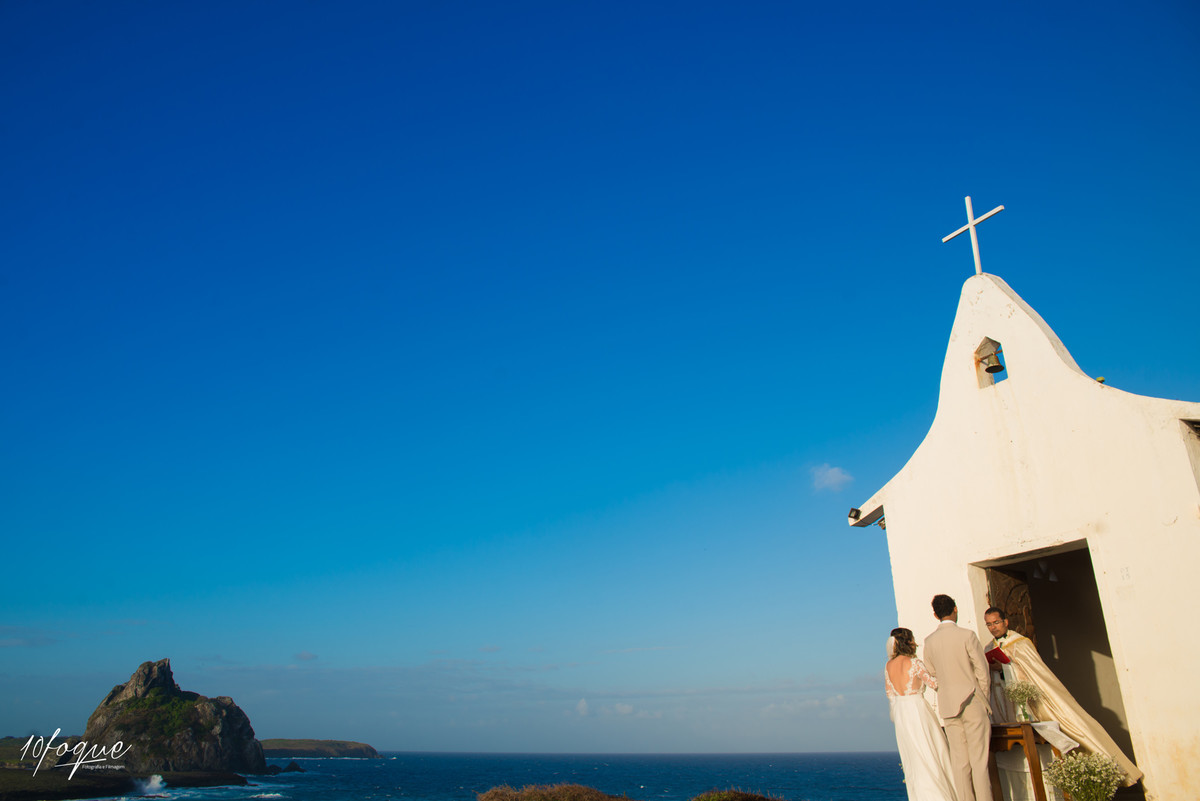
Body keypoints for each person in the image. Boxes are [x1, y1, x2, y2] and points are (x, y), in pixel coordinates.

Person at [984, 607, 1143, 787]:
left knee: (1074, 728)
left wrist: (1005, 669)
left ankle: (1112, 772)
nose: (993, 628)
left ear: (1005, 622)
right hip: (1005, 709)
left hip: (1034, 705)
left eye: (996, 623)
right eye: (988, 624)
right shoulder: (989, 648)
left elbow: (1035, 673)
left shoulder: (1021, 643)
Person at [923, 595, 993, 801]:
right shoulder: (967, 635)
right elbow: (982, 670)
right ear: (955, 609)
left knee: (959, 762)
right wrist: (984, 698)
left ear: (935, 614)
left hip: (948, 703)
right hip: (972, 699)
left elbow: (931, 670)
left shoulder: (929, 641)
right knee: (979, 761)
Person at [885, 627, 960, 801]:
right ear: (908, 642)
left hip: (902, 713)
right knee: (930, 750)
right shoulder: (914, 662)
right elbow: (933, 683)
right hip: (917, 709)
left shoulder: (888, 666)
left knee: (914, 756)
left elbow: (890, 694)